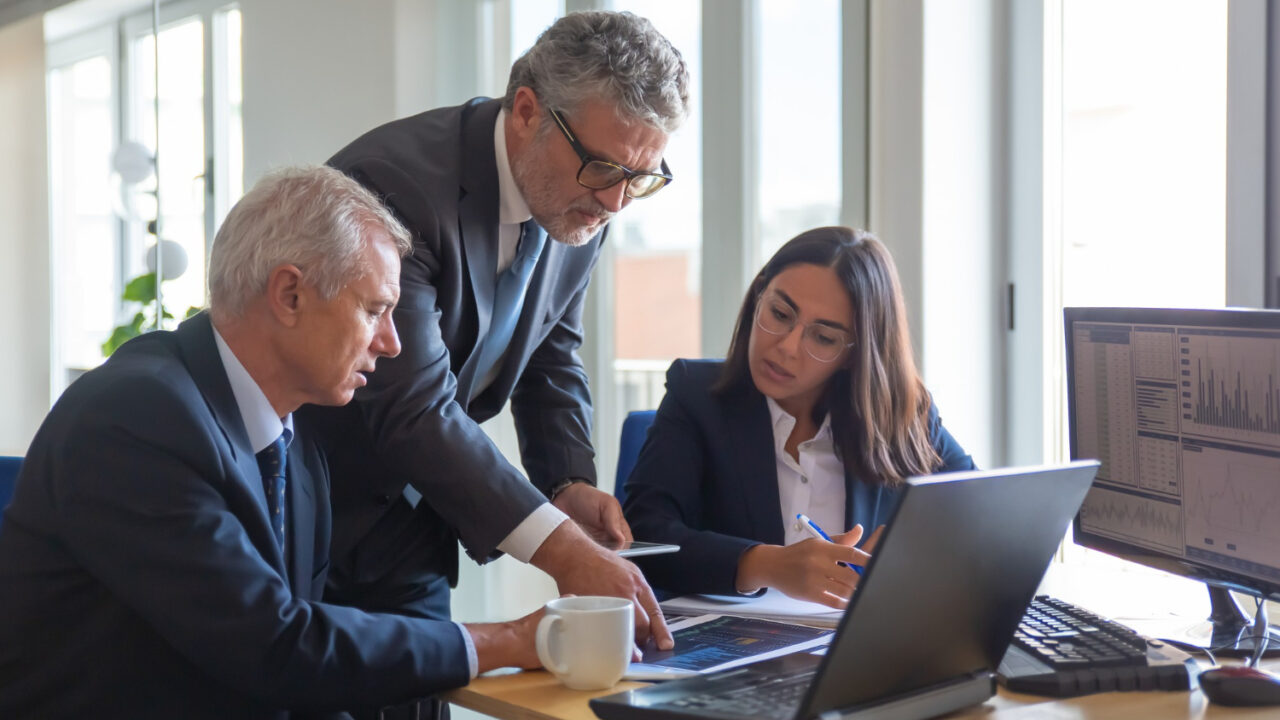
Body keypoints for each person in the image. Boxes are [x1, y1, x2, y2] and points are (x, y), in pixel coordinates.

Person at [0, 167, 546, 718]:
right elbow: (275, 646)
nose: (392, 343)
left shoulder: (297, 442)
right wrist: (508, 641)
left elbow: (298, 672)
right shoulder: (134, 416)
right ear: (289, 294)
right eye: (375, 310)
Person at [303, 10, 689, 650]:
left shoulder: (582, 198)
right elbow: (412, 406)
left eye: (639, 177)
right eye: (603, 168)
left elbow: (551, 352)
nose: (617, 202)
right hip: (312, 508)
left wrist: (569, 483)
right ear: (528, 111)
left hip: (417, 516)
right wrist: (560, 550)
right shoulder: (395, 188)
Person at [622, 227, 976, 608]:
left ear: (855, 354)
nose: (787, 347)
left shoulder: (901, 413)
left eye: (823, 338)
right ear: (759, 295)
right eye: (780, 313)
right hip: (731, 650)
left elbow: (980, 514)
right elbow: (645, 537)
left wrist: (912, 548)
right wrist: (766, 564)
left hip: (854, 650)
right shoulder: (695, 396)